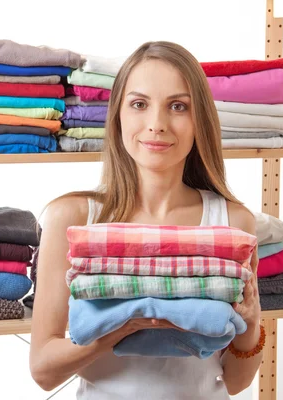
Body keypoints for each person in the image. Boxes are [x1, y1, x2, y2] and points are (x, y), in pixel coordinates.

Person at [30, 40, 264, 399]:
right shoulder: (75, 221)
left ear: (199, 118)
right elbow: (43, 371)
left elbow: (236, 381)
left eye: (178, 106)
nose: (157, 124)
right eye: (139, 104)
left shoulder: (233, 225)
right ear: (118, 115)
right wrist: (122, 327)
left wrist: (251, 323)